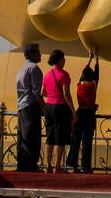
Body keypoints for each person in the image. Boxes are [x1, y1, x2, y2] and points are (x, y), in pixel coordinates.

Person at [41, 49, 76, 171]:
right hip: (60, 107)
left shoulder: (48, 74)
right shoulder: (64, 75)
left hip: (48, 106)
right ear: (60, 60)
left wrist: (51, 94)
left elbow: (43, 93)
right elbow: (67, 95)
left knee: (50, 137)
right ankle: (57, 166)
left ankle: (48, 166)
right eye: (63, 59)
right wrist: (73, 111)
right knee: (59, 138)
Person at [68, 48, 99, 173]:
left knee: (76, 140)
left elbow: (84, 73)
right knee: (87, 142)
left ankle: (73, 165)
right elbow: (97, 75)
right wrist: (96, 59)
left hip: (79, 113)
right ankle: (86, 167)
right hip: (89, 114)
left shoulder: (79, 85)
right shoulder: (92, 85)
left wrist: (89, 59)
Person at [15, 43, 44, 171]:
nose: (40, 55)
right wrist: (43, 107)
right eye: (38, 52)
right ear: (32, 54)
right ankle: (31, 165)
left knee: (23, 136)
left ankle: (22, 163)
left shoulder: (21, 69)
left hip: (21, 105)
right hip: (31, 105)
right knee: (32, 135)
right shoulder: (34, 68)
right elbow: (37, 92)